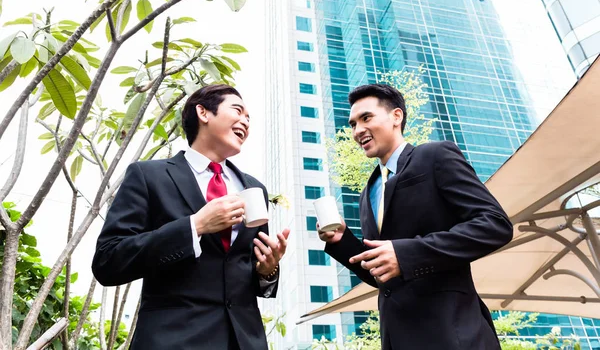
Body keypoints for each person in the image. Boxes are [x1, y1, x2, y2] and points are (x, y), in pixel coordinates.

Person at [92, 84, 290, 350]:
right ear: (203, 112)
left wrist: (267, 269)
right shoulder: (148, 176)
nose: (245, 121)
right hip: (173, 340)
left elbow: (246, 273)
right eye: (238, 110)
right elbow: (108, 260)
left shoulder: (254, 190)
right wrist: (195, 226)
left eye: (249, 118)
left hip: (245, 341)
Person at [318, 83, 513, 349]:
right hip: (397, 338)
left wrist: (406, 255)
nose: (357, 130)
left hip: (453, 334)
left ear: (396, 116)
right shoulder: (368, 193)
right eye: (352, 124)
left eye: (366, 118)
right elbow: (382, 274)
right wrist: (342, 240)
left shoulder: (435, 156)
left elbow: (495, 224)